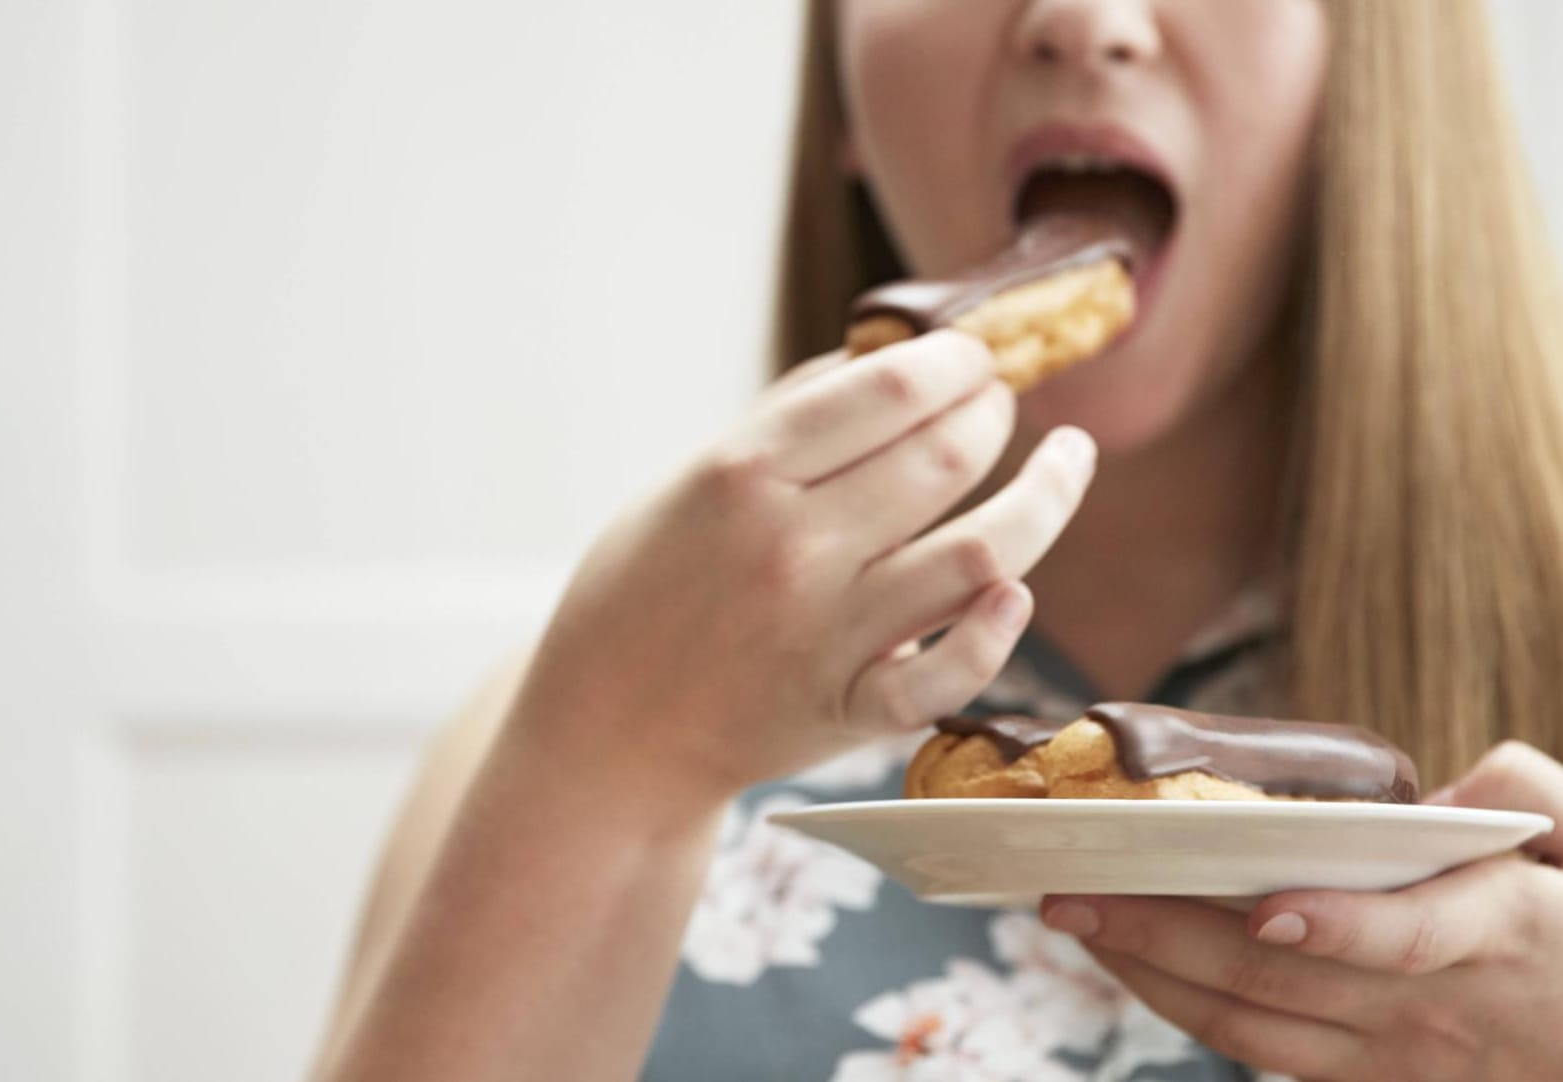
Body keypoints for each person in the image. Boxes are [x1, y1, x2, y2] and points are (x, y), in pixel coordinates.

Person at [311, 2, 1563, 1079]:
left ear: (1375, 67)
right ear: (842, 98)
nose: (1084, 20)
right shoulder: (567, 741)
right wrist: (606, 767)